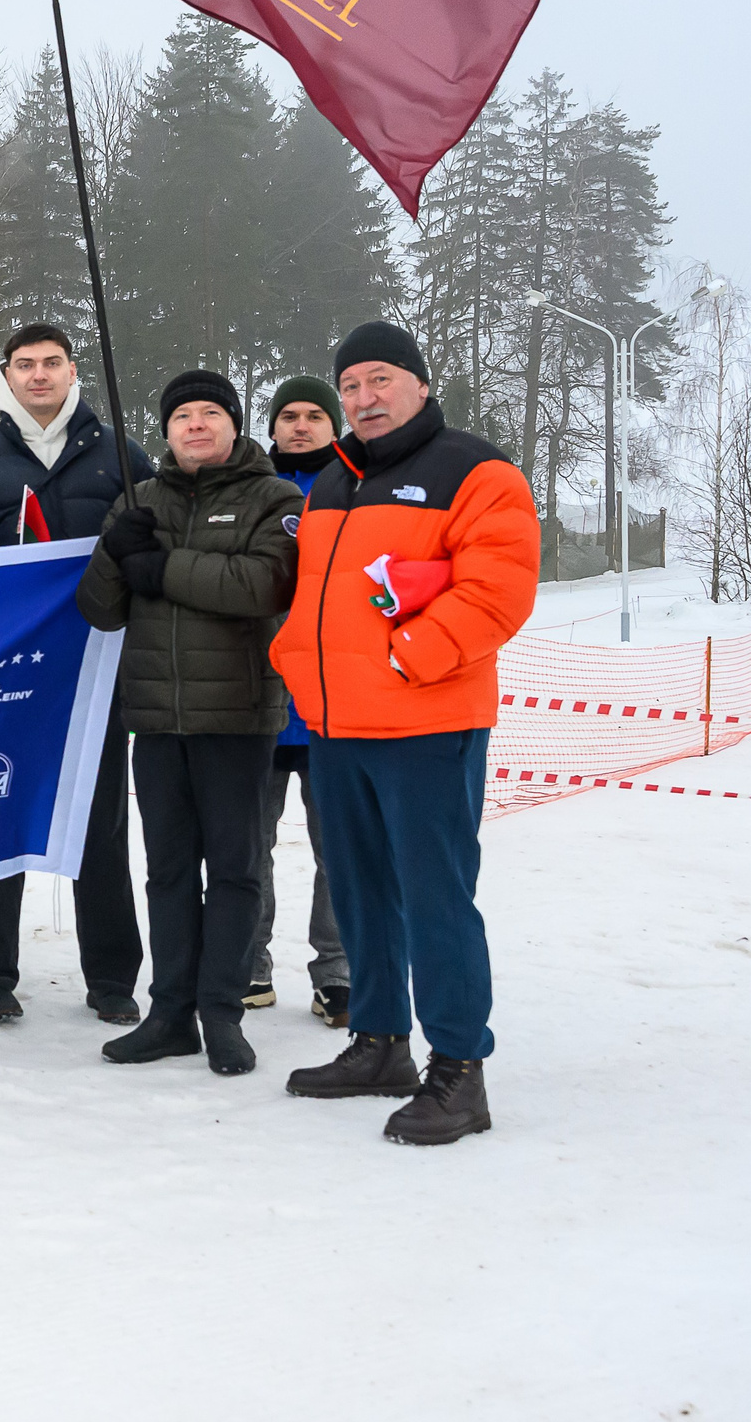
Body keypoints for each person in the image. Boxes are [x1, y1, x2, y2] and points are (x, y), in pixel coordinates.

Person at [273, 323, 538, 1146]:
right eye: (349, 385)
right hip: (339, 724)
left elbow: (499, 589)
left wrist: (410, 657)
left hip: (428, 720)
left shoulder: (475, 470)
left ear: (420, 384)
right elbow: (313, 594)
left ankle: (459, 1069)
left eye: (380, 379)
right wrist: (296, 662)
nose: (362, 398)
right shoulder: (331, 481)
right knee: (359, 892)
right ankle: (379, 1041)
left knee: (434, 898)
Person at [77, 371, 301, 1078]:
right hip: (157, 718)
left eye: (211, 413)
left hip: (237, 716)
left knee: (235, 871)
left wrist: (164, 564)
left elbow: (262, 584)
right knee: (168, 872)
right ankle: (170, 1012)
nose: (196, 425)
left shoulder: (275, 498)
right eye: (182, 416)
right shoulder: (138, 498)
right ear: (166, 429)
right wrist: (118, 549)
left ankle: (222, 1012)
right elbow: (100, 609)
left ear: (234, 424)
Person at [0, 323, 152, 1028]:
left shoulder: (120, 454)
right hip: (2, 676)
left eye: (50, 363)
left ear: (72, 370)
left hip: (95, 670)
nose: (38, 376)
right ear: (5, 374)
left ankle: (113, 976)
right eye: (24, 364)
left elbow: (156, 545)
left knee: (101, 822)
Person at [248, 375, 351, 1026]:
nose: (302, 424)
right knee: (245, 846)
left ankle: (337, 970)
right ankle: (248, 963)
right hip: (254, 702)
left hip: (335, 708)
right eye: (289, 414)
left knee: (339, 848)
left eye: (316, 414)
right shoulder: (252, 491)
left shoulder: (358, 489)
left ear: (334, 425)